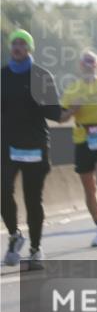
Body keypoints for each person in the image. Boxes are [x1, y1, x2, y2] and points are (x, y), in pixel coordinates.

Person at [2, 29, 62, 269]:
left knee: (32, 199)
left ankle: (36, 249)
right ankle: (14, 235)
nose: (17, 47)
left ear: (29, 48)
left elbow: (54, 112)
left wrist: (69, 111)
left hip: (36, 146)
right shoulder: (3, 76)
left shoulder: (41, 76)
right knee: (2, 192)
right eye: (14, 43)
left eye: (22, 43)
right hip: (7, 145)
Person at [59, 50, 97, 248]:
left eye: (92, 62)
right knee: (89, 188)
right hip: (82, 140)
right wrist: (72, 110)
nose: (89, 65)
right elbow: (61, 118)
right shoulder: (72, 89)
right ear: (80, 65)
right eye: (85, 62)